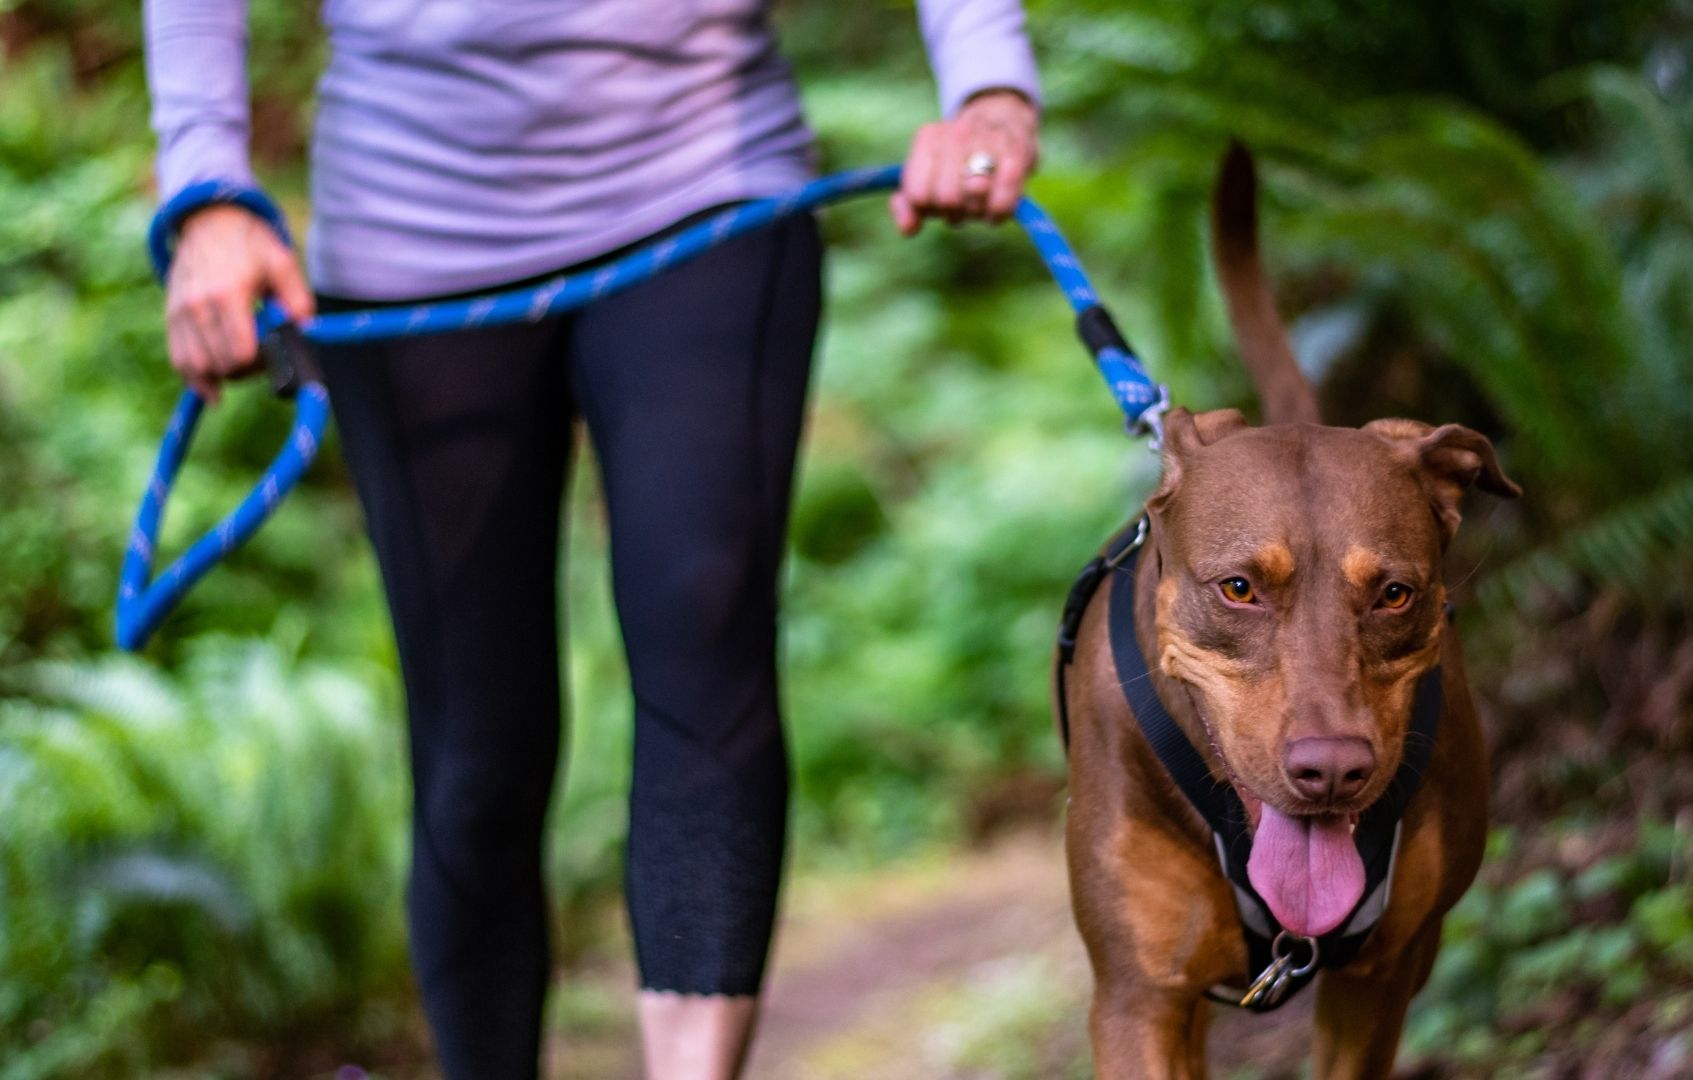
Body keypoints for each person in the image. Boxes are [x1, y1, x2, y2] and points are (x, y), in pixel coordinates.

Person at [141, 2, 1040, 1077]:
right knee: (480, 740)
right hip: (411, 226)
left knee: (704, 614)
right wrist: (205, 191)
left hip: (705, 185)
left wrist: (987, 82)